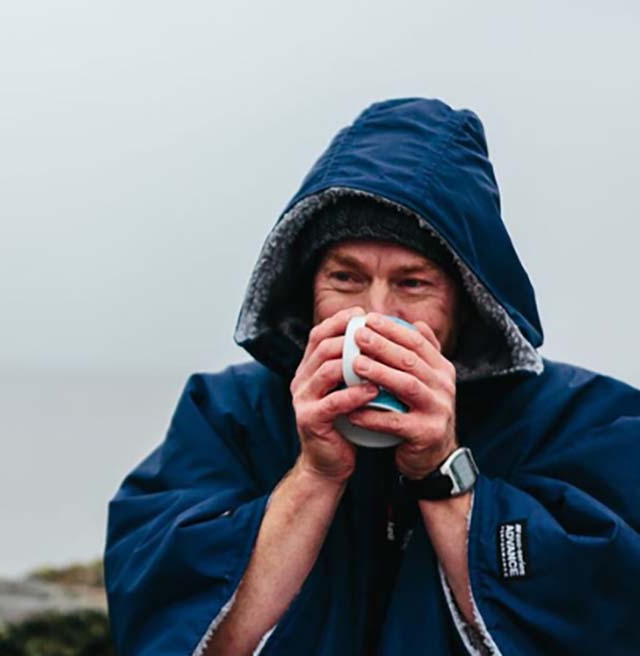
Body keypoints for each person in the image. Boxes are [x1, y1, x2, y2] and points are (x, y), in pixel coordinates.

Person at [103, 98, 640, 655]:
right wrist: (315, 474)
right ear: (307, 289)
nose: (375, 313)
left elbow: (606, 610)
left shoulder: (584, 422)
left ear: (468, 303)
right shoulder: (227, 413)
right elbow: (172, 620)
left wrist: (442, 471)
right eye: (345, 277)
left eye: (413, 283)